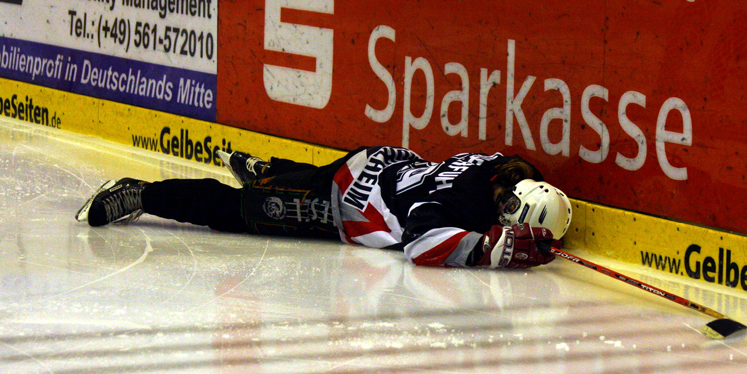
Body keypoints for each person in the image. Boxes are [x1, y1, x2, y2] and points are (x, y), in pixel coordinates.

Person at [75, 146, 572, 269]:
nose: (505, 212)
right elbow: (420, 243)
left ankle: (267, 168)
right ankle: (141, 192)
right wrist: (488, 248)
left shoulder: (496, 167)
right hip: (352, 202)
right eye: (508, 209)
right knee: (238, 210)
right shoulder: (465, 199)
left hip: (375, 162)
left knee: (304, 181)